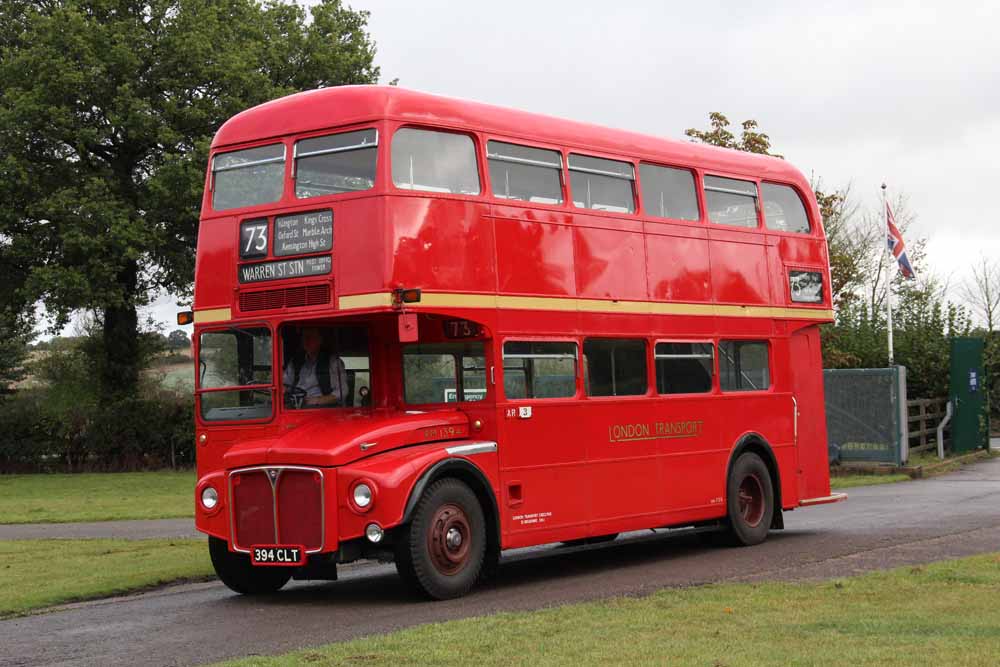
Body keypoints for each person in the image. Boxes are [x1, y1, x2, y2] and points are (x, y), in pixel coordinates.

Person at [283, 327, 348, 408]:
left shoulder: (333, 362)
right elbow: (286, 383)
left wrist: (318, 400)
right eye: (304, 337)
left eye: (310, 337)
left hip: (320, 409)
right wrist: (283, 389)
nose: (306, 340)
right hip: (295, 405)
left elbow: (342, 392)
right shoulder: (295, 362)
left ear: (320, 340)